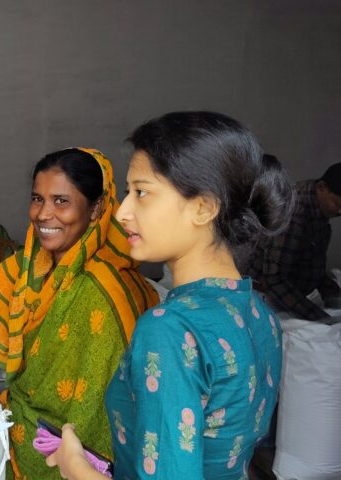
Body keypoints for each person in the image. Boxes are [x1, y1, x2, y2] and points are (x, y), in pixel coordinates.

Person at [46, 112, 292, 479]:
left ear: (204, 207)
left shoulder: (170, 329)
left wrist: (75, 465)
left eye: (141, 192)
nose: (123, 212)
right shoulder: (260, 312)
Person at [0, 147, 159, 479]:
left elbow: (104, 413)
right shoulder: (30, 265)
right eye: (37, 199)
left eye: (61, 201)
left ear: (97, 207)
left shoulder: (107, 291)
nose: (43, 214)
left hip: (73, 462)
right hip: (17, 435)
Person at [242, 160, 341, 321]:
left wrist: (330, 291)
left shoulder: (318, 206)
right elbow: (274, 278)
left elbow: (312, 258)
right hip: (266, 295)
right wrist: (317, 316)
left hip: (291, 293)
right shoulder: (295, 213)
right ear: (322, 188)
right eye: (337, 204)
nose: (339, 211)